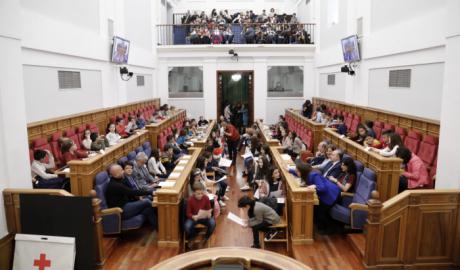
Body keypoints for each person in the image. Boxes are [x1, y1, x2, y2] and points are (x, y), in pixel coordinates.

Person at [105, 164, 157, 229]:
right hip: (121, 211)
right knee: (146, 201)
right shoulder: (115, 185)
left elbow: (131, 192)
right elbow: (133, 192)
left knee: (148, 209)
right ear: (116, 173)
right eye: (121, 170)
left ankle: (159, 227)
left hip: (126, 205)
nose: (123, 171)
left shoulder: (119, 180)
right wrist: (151, 192)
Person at [296, 161, 340, 232]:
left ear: (302, 171)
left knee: (318, 211)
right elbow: (298, 173)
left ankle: (326, 229)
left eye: (297, 171)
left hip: (332, 195)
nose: (296, 173)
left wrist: (315, 186)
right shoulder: (307, 173)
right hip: (326, 194)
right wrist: (289, 170)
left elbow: (322, 188)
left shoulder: (314, 175)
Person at [184, 182, 216, 248]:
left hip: (204, 217)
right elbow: (188, 213)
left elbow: (209, 209)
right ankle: (193, 236)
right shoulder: (190, 200)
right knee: (187, 226)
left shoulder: (206, 198)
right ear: (194, 193)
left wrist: (209, 214)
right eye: (198, 194)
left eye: (201, 193)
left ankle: (206, 238)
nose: (200, 195)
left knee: (213, 223)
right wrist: (193, 216)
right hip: (194, 218)